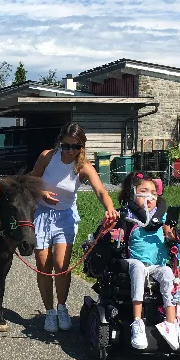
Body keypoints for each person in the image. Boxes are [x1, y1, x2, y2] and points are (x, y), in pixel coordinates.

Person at [30, 122, 118, 333]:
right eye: (66, 146)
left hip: (65, 217)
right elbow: (32, 180)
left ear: (82, 146)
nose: (70, 151)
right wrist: (42, 194)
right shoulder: (47, 156)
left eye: (75, 147)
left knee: (61, 265)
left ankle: (62, 307)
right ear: (59, 143)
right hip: (42, 214)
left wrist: (110, 208)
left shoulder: (84, 166)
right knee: (43, 266)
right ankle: (49, 312)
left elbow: (100, 191)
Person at [119, 171, 180, 351]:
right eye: (144, 191)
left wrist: (174, 235)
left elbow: (170, 235)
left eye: (153, 193)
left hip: (157, 264)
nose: (149, 196)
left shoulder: (161, 218)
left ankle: (170, 323)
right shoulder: (129, 215)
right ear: (133, 193)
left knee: (168, 273)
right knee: (138, 268)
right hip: (135, 261)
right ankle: (137, 322)